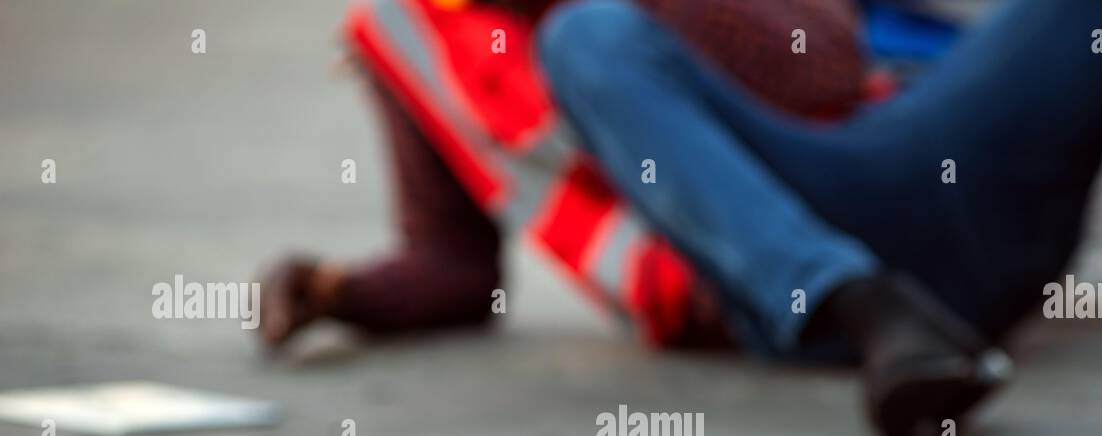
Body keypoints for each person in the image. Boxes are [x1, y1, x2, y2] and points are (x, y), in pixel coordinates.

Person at [536, 0, 1102, 436]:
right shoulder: (431, 36)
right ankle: (864, 304)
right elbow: (452, 261)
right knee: (582, 35)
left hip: (896, 164)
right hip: (782, 285)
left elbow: (825, 55)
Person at [258, 0, 868, 353]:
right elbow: (454, 266)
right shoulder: (412, 23)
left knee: (588, 42)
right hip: (730, 321)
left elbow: (827, 67)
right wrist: (339, 291)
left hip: (859, 240)